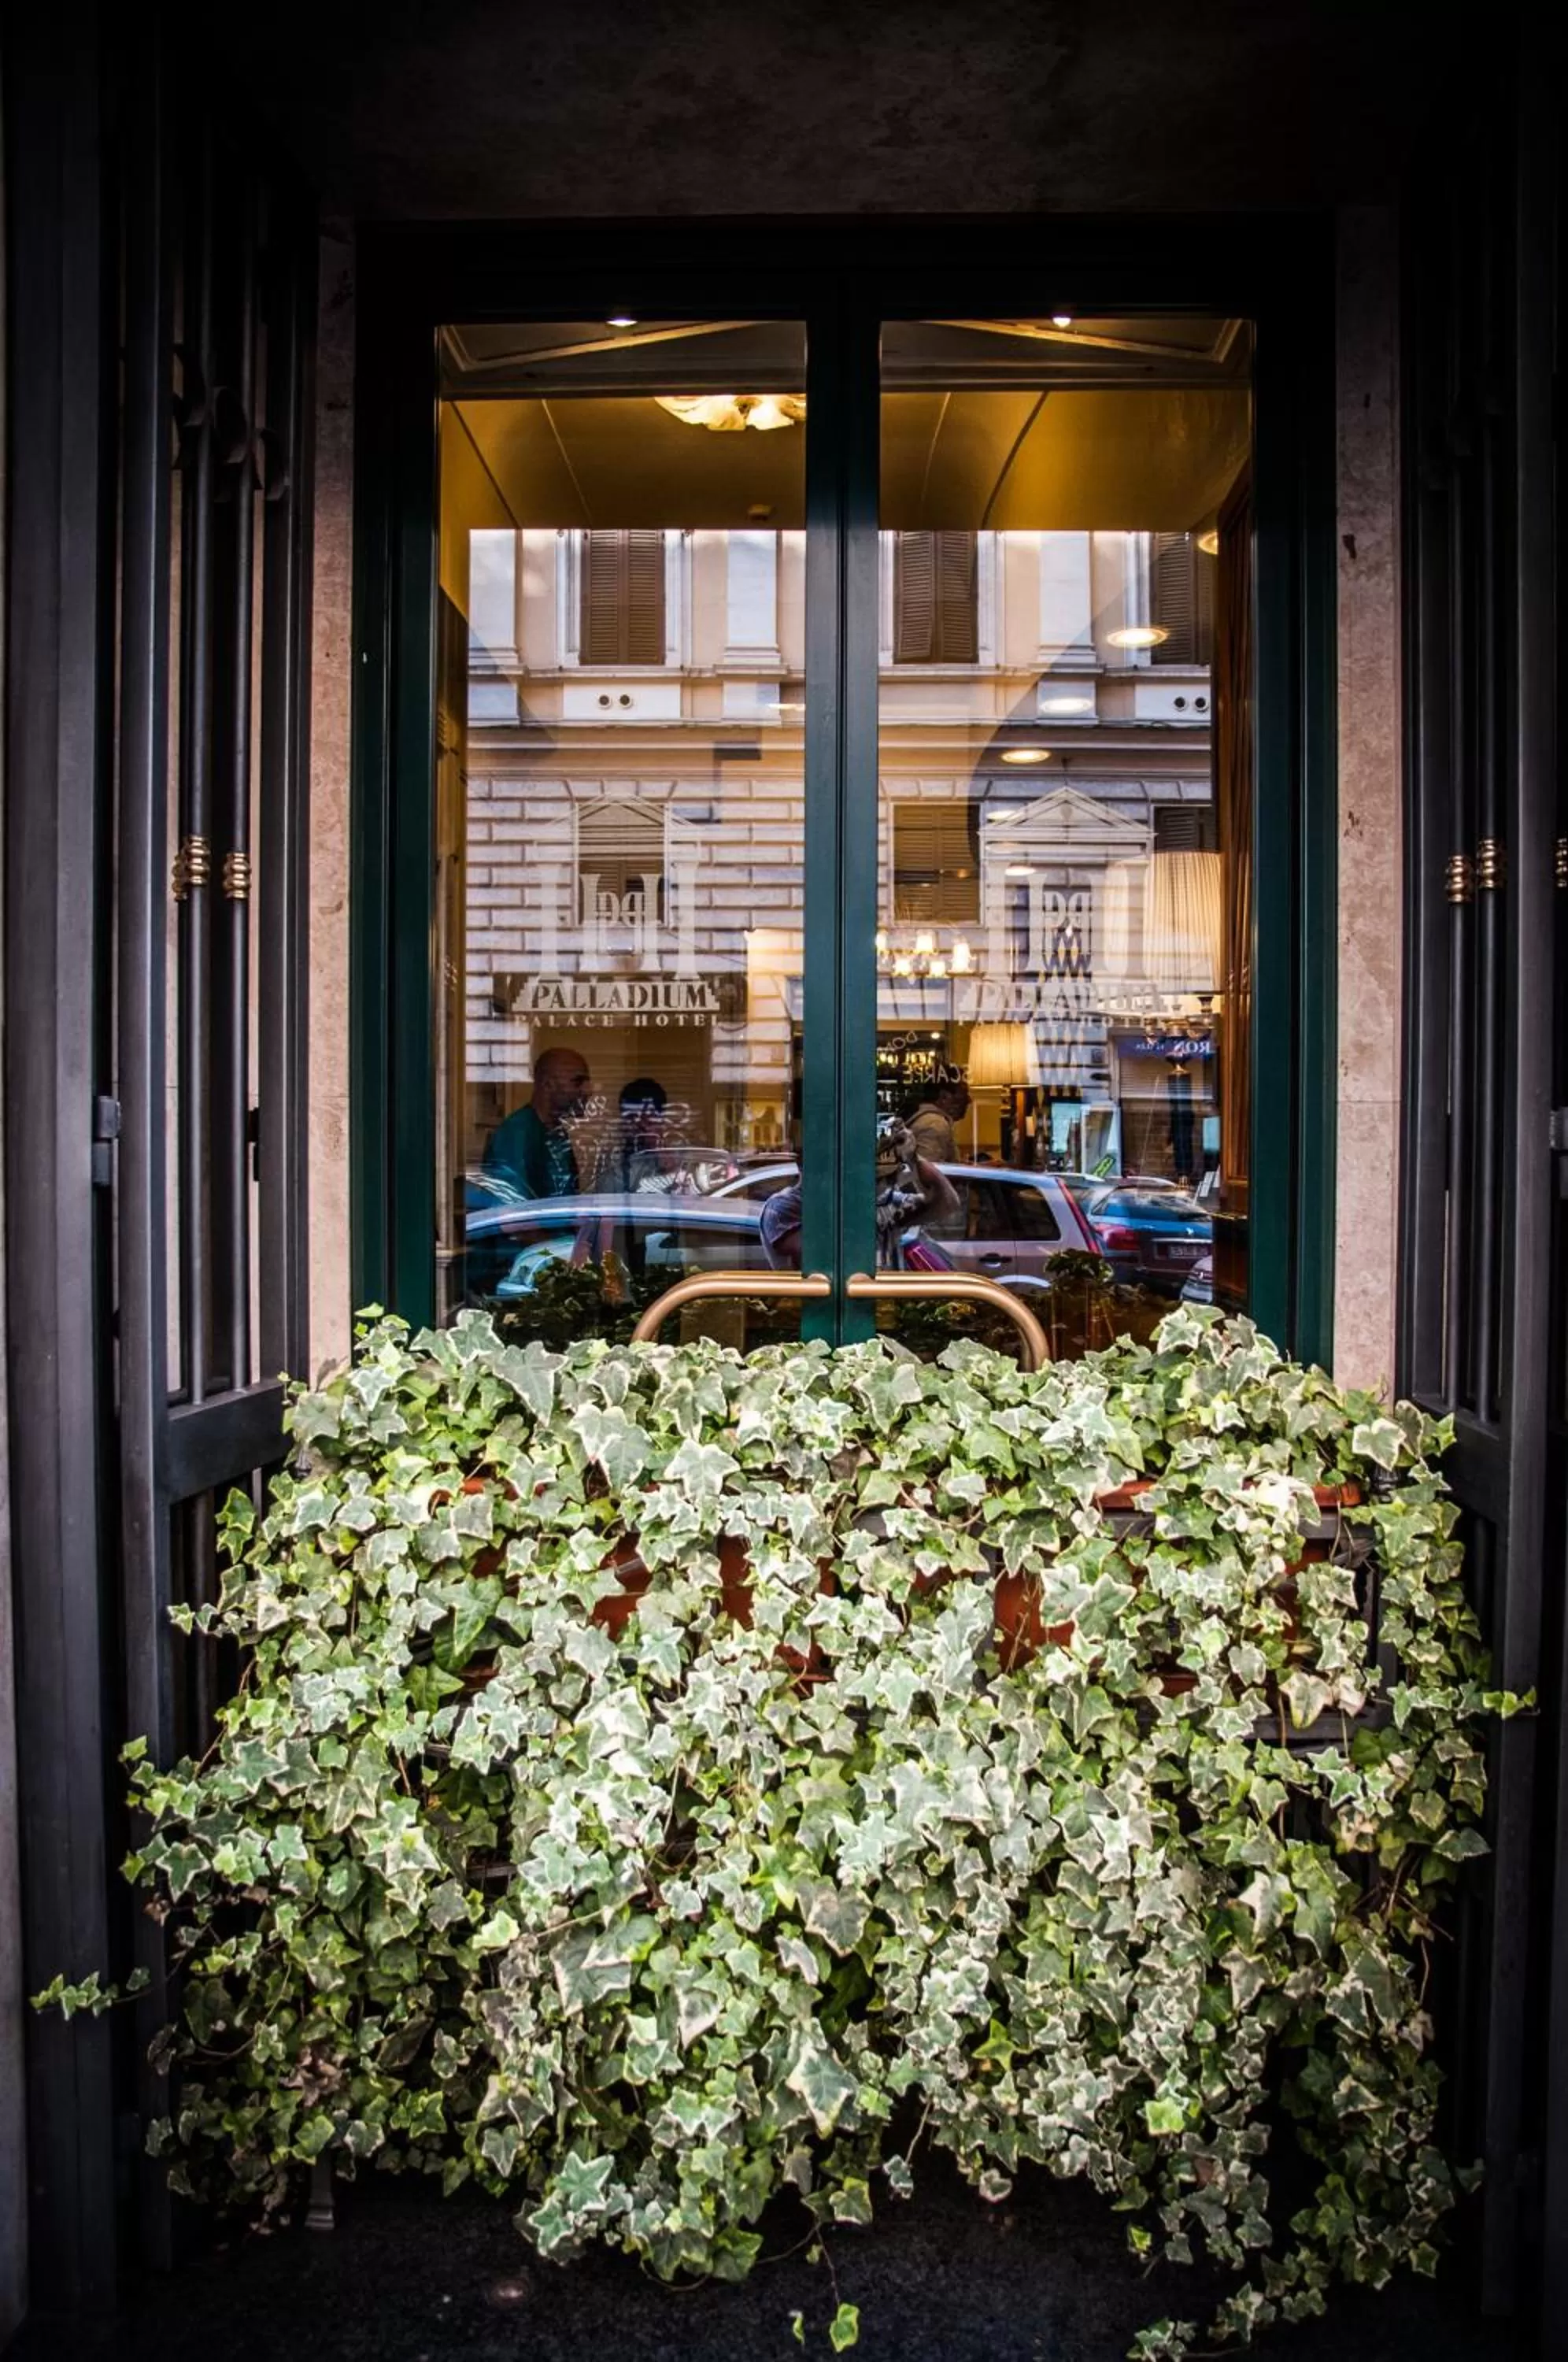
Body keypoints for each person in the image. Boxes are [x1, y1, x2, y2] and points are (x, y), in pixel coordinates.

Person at [760, 1124, 959, 1270]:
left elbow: (947, 1203)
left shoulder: (882, 1202)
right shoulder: (784, 1207)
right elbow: (820, 1258)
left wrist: (913, 1158)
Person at [483, 1046, 591, 1199]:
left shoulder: (557, 1132)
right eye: (578, 1082)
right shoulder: (516, 1134)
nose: (588, 1091)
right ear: (547, 1085)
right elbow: (512, 1204)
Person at [595, 1076, 669, 1193]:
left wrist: (663, 1158)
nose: (641, 1126)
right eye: (632, 1117)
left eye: (648, 1118)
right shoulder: (614, 1161)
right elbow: (605, 1197)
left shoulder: (679, 1156)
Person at [908, 1073, 971, 1165]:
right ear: (944, 1097)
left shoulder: (926, 1119)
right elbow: (928, 1169)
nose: (968, 1102)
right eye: (961, 1098)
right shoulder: (935, 1124)